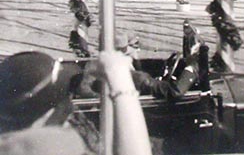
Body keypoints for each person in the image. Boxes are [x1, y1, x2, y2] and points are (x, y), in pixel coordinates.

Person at [0, 50, 153, 155]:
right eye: (65, 100)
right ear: (44, 117)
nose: (71, 107)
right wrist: (121, 81)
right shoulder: (44, 147)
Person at [79, 31, 200, 101]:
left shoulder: (94, 65)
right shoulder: (132, 77)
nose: (134, 53)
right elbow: (174, 92)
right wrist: (191, 69)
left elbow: (84, 88)